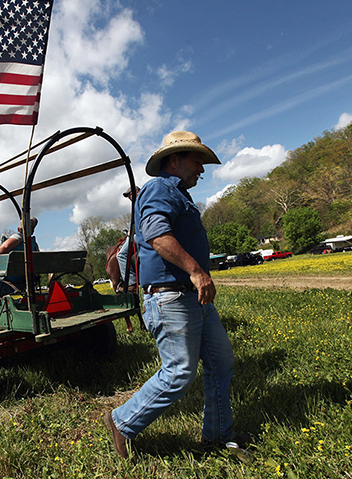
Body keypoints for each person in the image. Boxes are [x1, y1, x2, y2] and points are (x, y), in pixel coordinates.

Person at [103, 131, 253, 462]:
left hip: (190, 297)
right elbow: (158, 236)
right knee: (179, 372)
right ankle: (122, 420)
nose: (201, 168)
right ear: (175, 161)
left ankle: (217, 434)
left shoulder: (178, 194)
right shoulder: (160, 188)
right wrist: (197, 271)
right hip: (171, 298)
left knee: (221, 360)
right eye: (196, 160)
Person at [116, 186, 139, 291]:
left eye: (130, 194)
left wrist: (132, 232)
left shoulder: (139, 203)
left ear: (137, 192)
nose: (129, 197)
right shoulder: (142, 202)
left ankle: (131, 282)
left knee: (121, 255)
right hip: (141, 232)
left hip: (140, 235)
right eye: (128, 196)